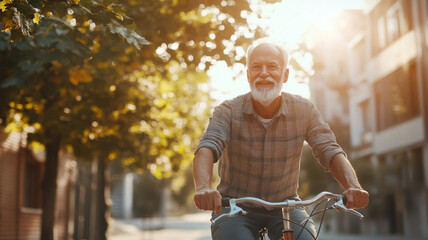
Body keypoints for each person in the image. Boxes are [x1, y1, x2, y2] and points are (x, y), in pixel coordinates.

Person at [192, 38, 369, 240]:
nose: (264, 73)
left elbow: (329, 149)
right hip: (234, 207)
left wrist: (353, 186)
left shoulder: (304, 110)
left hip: (286, 206)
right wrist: (204, 188)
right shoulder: (227, 111)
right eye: (256, 67)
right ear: (248, 74)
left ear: (285, 75)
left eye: (272, 67)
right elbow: (208, 147)